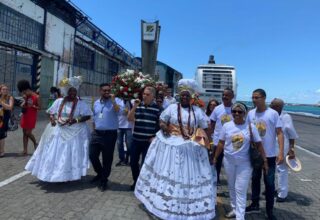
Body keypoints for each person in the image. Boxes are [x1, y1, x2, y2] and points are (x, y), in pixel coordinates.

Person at [134, 79, 216, 220]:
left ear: (191, 98)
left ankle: (186, 208)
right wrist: (164, 127)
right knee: (171, 175)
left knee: (188, 178)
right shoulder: (172, 108)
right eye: (182, 95)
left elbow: (206, 127)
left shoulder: (197, 111)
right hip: (171, 147)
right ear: (179, 96)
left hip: (191, 148)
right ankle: (165, 205)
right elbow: (162, 121)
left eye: (187, 96)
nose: (184, 98)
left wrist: (208, 144)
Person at [25, 76, 92, 182]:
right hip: (58, 128)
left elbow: (88, 116)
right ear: (66, 91)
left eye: (74, 91)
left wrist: (76, 120)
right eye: (70, 90)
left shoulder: (81, 103)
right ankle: (54, 173)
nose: (72, 93)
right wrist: (52, 119)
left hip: (75, 131)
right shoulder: (59, 101)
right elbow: (51, 112)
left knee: (70, 152)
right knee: (55, 152)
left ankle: (69, 175)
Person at [214, 102, 267, 219]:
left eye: (240, 112)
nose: (236, 113)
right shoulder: (227, 126)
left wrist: (265, 161)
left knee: (240, 189)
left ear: (245, 113)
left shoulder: (250, 126)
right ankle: (234, 209)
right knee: (231, 186)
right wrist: (215, 157)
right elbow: (221, 143)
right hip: (228, 162)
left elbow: (259, 144)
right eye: (234, 111)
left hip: (245, 163)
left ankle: (240, 216)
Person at [245, 89, 284, 220]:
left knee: (270, 184)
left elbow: (279, 133)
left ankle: (269, 210)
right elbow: (247, 132)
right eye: (253, 98)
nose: (254, 100)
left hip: (270, 155)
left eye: (257, 97)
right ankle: (255, 204)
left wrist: (281, 153)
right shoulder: (250, 113)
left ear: (264, 98)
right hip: (255, 154)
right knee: (255, 180)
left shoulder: (272, 114)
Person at [89, 83, 121, 191]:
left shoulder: (116, 101)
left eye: (108, 90)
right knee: (92, 155)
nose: (107, 92)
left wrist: (113, 101)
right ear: (100, 91)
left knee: (107, 159)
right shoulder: (96, 103)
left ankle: (103, 180)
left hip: (110, 135)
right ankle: (100, 173)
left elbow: (119, 112)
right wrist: (93, 131)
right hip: (97, 134)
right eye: (104, 90)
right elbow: (94, 117)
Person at [128, 86, 161, 191]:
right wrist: (134, 107)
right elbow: (129, 119)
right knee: (133, 162)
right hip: (136, 140)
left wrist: (155, 136)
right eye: (144, 94)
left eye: (147, 94)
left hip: (148, 142)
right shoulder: (137, 106)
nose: (144, 96)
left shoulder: (158, 108)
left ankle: (142, 184)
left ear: (153, 96)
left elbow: (160, 125)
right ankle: (136, 181)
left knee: (144, 164)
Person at [270, 98, 298, 202]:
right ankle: (273, 189)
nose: (270, 105)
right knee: (271, 169)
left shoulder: (286, 117)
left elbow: (292, 134)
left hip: (282, 147)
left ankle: (282, 194)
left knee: (282, 170)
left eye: (272, 104)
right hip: (271, 147)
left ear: (278, 106)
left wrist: (291, 149)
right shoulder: (272, 115)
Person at [210, 88, 234, 184]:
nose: (224, 97)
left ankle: (232, 181)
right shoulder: (217, 108)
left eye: (227, 95)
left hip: (231, 142)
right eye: (223, 95)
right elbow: (212, 123)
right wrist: (209, 137)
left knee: (230, 163)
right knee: (216, 162)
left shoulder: (235, 109)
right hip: (217, 140)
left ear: (232, 97)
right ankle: (215, 180)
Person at [17, 80, 40, 155]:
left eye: (24, 92)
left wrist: (32, 106)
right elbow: (22, 106)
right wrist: (24, 100)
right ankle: (25, 150)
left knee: (28, 132)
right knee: (24, 133)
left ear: (28, 89)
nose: (23, 93)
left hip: (32, 116)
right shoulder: (26, 96)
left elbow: (40, 107)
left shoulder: (37, 97)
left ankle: (35, 143)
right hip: (25, 116)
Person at [115, 98, 133, 166]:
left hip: (128, 126)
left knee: (129, 144)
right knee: (119, 144)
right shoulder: (117, 100)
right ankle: (122, 159)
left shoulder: (131, 101)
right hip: (119, 125)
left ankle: (130, 159)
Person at [0, 84, 14, 157]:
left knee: (1, 135)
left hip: (4, 118)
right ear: (0, 90)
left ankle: (2, 151)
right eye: (3, 89)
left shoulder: (9, 98)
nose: (5, 90)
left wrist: (1, 103)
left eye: (6, 89)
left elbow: (10, 107)